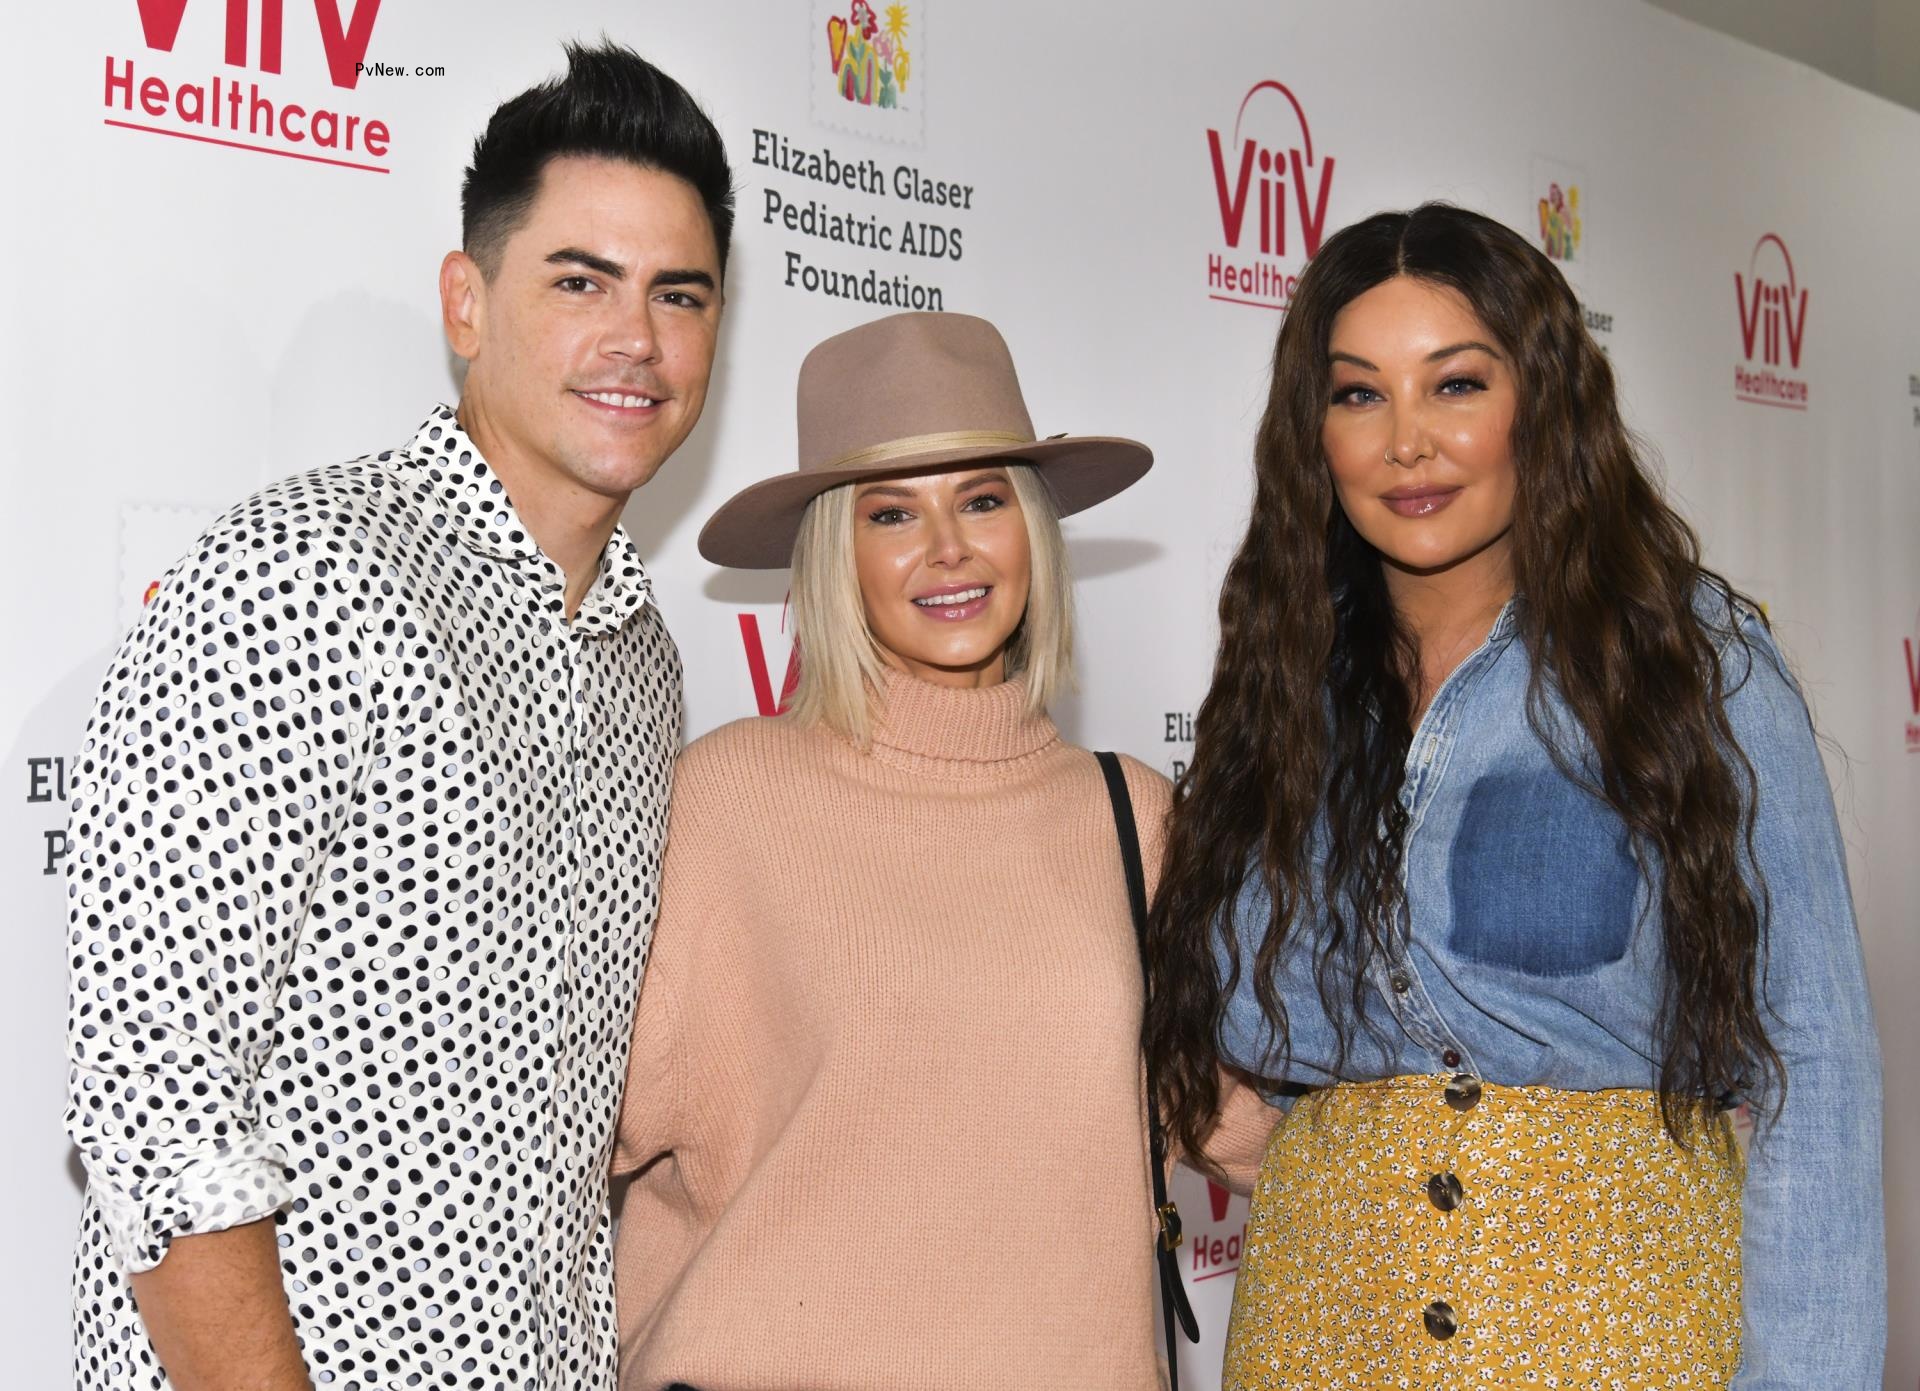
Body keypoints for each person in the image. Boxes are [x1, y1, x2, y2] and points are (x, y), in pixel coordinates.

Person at [64, 42, 731, 1391]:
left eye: (680, 294)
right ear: (467, 303)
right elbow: (157, 1092)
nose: (637, 341)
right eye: (580, 281)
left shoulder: (645, 660)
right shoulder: (306, 572)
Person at [1143, 204, 1885, 1389]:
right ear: (1312, 432)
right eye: (1358, 394)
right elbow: (1221, 1041)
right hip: (1315, 1334)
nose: (1407, 443)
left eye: (1456, 384)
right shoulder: (1281, 689)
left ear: (1539, 400)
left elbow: (1815, 1064)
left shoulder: (1691, 665)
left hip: (1618, 1336)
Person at [609, 311, 1275, 1390]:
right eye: (891, 513)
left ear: (1032, 530)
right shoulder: (728, 800)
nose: (949, 548)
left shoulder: (1135, 816)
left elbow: (1255, 1126)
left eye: (981, 498)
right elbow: (555, 1124)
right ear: (838, 552)